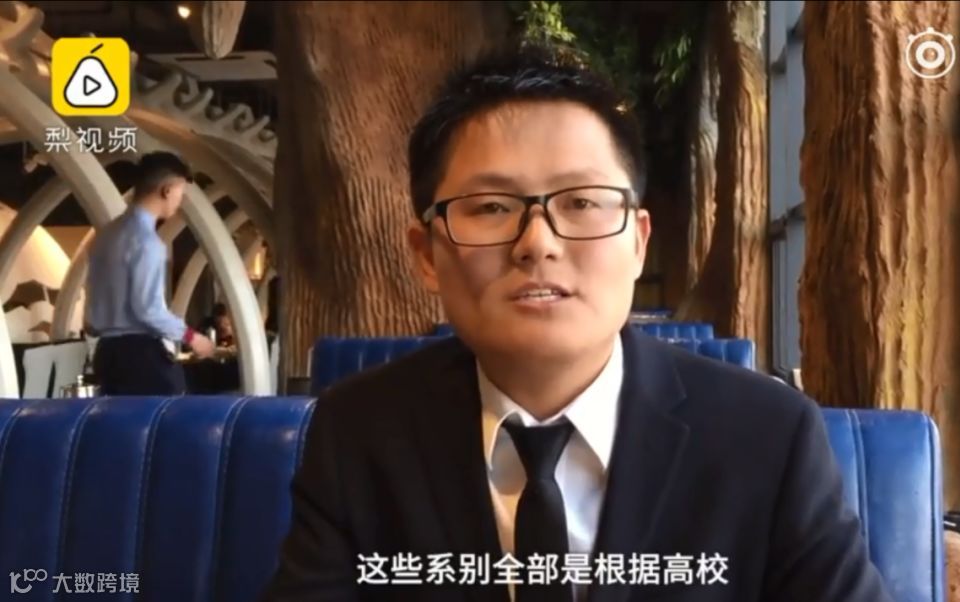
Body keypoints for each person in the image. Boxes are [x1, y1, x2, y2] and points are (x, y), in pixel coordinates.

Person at [259, 45, 892, 602]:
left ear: (638, 241)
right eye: (491, 207)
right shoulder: (358, 434)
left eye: (582, 201)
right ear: (427, 254)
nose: (537, 242)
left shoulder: (768, 436)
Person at [85, 151, 215, 395]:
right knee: (170, 416)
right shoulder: (147, 243)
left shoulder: (104, 236)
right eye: (180, 193)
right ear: (167, 190)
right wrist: (192, 337)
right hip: (141, 356)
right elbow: (147, 310)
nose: (179, 201)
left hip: (106, 354)